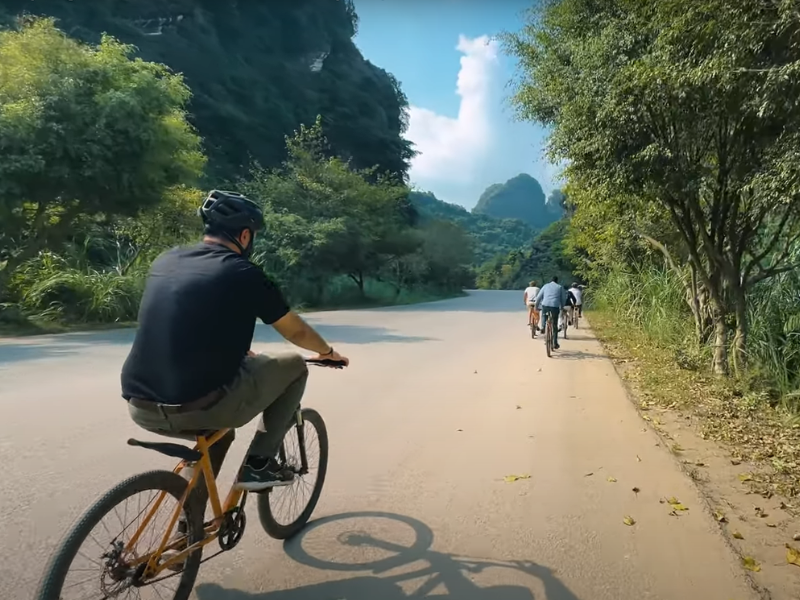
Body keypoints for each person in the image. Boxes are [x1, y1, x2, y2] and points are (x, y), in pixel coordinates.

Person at [121, 190, 350, 492]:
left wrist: (237, 352)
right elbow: (297, 333)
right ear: (245, 235)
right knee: (294, 365)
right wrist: (328, 352)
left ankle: (191, 517)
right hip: (200, 406)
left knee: (220, 435)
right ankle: (259, 465)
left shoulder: (166, 261)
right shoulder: (243, 272)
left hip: (140, 405)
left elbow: (186, 322)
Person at [534, 276, 567, 349]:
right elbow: (563, 298)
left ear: (550, 280)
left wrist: (536, 307)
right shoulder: (560, 287)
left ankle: (543, 327)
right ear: (557, 281)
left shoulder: (545, 286)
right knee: (554, 325)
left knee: (544, 315)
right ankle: (555, 343)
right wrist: (562, 306)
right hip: (555, 307)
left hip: (545, 305)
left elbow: (539, 297)